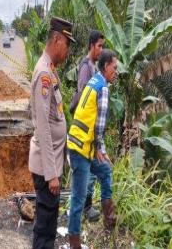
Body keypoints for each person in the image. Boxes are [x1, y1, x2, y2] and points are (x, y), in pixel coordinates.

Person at [29, 16, 75, 249]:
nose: (67, 52)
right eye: (67, 45)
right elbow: (43, 128)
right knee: (45, 229)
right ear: (57, 40)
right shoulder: (44, 75)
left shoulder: (50, 70)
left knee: (48, 224)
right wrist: (51, 174)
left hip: (52, 165)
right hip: (48, 169)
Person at [67, 50, 118, 249]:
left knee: (105, 170)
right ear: (106, 66)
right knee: (78, 199)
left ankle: (109, 219)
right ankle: (74, 244)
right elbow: (100, 124)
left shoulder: (94, 81)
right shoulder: (103, 87)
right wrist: (99, 147)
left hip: (83, 146)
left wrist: (98, 148)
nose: (116, 72)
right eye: (114, 68)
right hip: (82, 149)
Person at [69, 30, 105, 222]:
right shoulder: (86, 67)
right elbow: (84, 97)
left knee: (88, 169)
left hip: (88, 128)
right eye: (99, 46)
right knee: (87, 170)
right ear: (91, 46)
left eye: (103, 46)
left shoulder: (93, 67)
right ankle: (85, 207)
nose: (101, 49)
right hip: (84, 129)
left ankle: (84, 206)